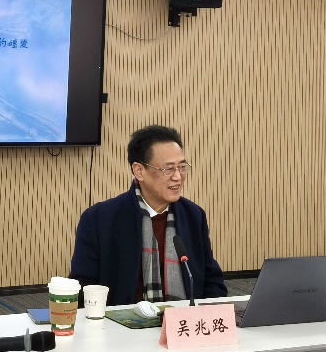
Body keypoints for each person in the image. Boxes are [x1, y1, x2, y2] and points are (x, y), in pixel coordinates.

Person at [70, 124, 226, 306]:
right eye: (168, 169)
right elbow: (82, 286)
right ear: (139, 171)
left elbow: (211, 281)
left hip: (184, 319)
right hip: (121, 321)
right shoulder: (100, 219)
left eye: (182, 167)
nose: (178, 176)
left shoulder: (193, 215)